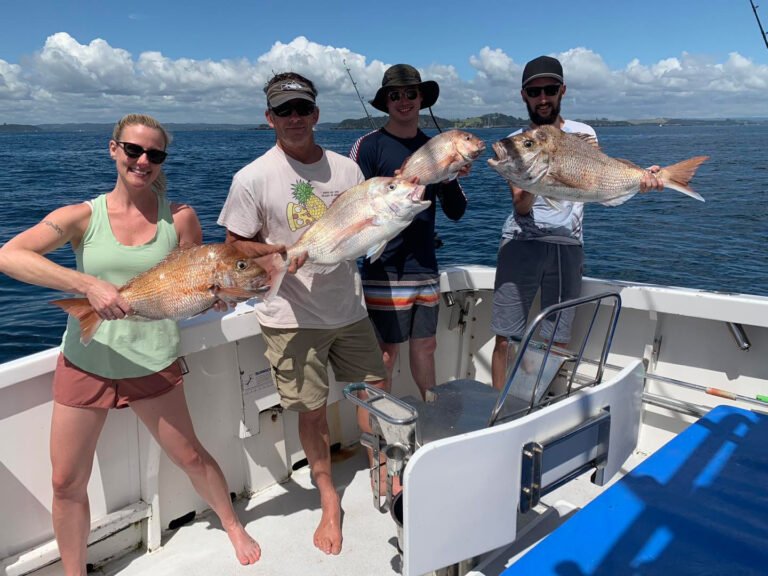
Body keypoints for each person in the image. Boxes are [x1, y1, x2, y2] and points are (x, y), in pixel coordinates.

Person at [0, 114, 261, 575]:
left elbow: (193, 284)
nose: (143, 161)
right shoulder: (81, 216)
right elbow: (10, 256)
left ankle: (231, 523)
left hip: (153, 362)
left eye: (154, 154)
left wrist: (214, 300)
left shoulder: (180, 218)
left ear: (162, 161)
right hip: (86, 362)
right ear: (113, 149)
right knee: (65, 481)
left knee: (190, 456)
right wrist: (89, 286)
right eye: (133, 150)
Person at [217, 72, 387, 556]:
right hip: (290, 317)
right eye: (283, 111)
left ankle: (384, 474)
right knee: (312, 413)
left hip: (348, 309)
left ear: (316, 114)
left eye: (302, 109)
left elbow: (365, 228)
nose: (294, 119)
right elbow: (234, 246)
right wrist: (278, 252)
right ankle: (329, 500)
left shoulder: (347, 171)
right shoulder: (251, 177)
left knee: (374, 395)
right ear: (269, 117)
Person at [490, 56, 663, 390]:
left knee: (556, 339)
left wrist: (641, 180)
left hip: (568, 246)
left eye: (550, 89)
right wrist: (529, 182)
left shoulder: (584, 134)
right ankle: (496, 412)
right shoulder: (516, 142)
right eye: (534, 91)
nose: (543, 98)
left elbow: (600, 182)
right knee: (505, 335)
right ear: (523, 95)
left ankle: (532, 404)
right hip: (520, 243)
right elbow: (521, 208)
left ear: (562, 91)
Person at [349, 64, 468, 399]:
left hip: (426, 265)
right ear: (385, 101)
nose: (404, 101)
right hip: (384, 267)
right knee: (385, 353)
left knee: (427, 346)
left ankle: (432, 415)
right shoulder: (368, 147)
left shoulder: (439, 149)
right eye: (395, 95)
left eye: (410, 93)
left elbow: (457, 212)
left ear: (421, 99)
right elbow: (353, 204)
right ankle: (379, 439)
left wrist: (449, 175)